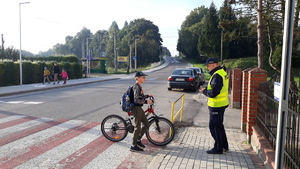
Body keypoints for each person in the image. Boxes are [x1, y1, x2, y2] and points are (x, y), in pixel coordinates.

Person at [199, 57, 229, 154]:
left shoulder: (217, 76)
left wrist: (204, 91)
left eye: (208, 66)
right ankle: (224, 146)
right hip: (222, 104)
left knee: (214, 127)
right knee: (219, 126)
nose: (207, 68)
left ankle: (218, 148)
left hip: (216, 105)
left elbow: (213, 93)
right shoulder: (222, 73)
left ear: (213, 65)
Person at [130, 71, 152, 152]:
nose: (144, 79)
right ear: (137, 78)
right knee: (137, 127)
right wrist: (146, 101)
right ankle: (133, 145)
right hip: (135, 108)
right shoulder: (136, 87)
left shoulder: (139, 86)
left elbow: (140, 96)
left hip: (139, 107)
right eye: (143, 77)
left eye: (144, 77)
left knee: (146, 123)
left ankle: (138, 140)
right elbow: (136, 100)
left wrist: (147, 96)